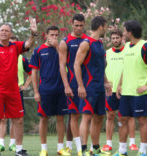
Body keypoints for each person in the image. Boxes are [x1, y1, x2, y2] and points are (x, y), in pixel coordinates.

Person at [0, 18, 37, 156]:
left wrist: (33, 34)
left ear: (10, 33)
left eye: (6, 30)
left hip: (13, 91)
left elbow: (29, 43)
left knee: (18, 119)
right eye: (1, 30)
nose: (4, 32)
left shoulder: (15, 47)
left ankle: (18, 150)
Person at [113, 20, 147, 156]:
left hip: (140, 93)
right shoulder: (127, 47)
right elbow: (126, 68)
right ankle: (122, 151)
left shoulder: (145, 47)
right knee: (122, 119)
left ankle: (142, 151)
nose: (123, 33)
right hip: (126, 92)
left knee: (141, 120)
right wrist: (119, 85)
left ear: (130, 32)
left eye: (124, 31)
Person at [74, 16, 112, 155]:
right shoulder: (86, 43)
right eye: (106, 26)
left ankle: (95, 149)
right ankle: (83, 150)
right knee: (87, 117)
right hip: (88, 86)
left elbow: (101, 66)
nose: (106, 29)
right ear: (101, 26)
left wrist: (106, 82)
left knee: (99, 117)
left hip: (99, 87)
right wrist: (80, 86)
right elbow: (76, 64)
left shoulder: (100, 43)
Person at [30, 25, 69, 156]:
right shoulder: (38, 50)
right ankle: (44, 149)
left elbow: (66, 62)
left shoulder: (61, 48)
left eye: (56, 35)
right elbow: (34, 72)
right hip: (45, 90)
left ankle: (60, 148)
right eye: (52, 35)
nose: (54, 37)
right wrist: (36, 92)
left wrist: (57, 46)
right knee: (43, 119)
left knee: (60, 118)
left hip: (61, 90)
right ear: (46, 35)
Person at [102, 29, 138, 152]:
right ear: (110, 39)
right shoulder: (106, 53)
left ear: (122, 39)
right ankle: (108, 143)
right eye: (113, 38)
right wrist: (106, 83)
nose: (115, 40)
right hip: (110, 91)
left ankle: (132, 142)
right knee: (110, 116)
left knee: (129, 117)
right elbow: (102, 70)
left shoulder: (128, 52)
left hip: (126, 89)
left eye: (117, 38)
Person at [0, 36, 32, 152]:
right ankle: (1, 143)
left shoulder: (22, 59)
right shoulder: (0, 55)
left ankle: (12, 143)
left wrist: (25, 86)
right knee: (2, 118)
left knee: (16, 119)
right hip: (2, 90)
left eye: (14, 44)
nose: (11, 46)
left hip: (16, 92)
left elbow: (32, 73)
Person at [59, 13, 88, 155]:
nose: (79, 28)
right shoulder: (65, 42)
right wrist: (66, 85)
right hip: (73, 84)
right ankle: (78, 149)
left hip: (88, 83)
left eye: (81, 26)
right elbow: (62, 65)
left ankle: (82, 146)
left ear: (84, 25)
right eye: (76, 25)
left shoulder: (88, 41)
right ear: (72, 24)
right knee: (74, 115)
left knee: (88, 116)